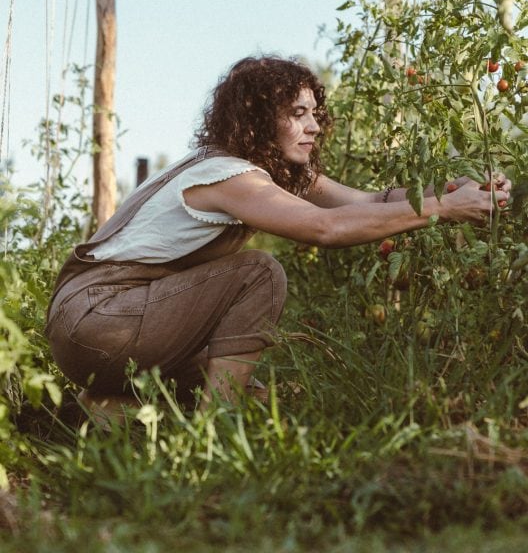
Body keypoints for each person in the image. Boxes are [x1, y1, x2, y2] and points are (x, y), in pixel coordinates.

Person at [45, 55, 511, 420]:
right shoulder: (231, 177)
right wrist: (443, 211)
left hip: (100, 325)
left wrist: (453, 191)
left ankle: (91, 415)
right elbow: (326, 228)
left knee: (255, 396)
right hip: (99, 318)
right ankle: (215, 433)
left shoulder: (259, 171)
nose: (313, 125)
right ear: (258, 119)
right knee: (258, 272)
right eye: (297, 113)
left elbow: (369, 202)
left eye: (314, 113)